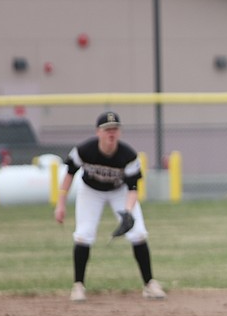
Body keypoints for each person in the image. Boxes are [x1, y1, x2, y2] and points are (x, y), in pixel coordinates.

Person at [54, 111, 166, 302]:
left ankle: (149, 284)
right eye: (107, 130)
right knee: (84, 234)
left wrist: (128, 213)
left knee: (138, 233)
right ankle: (78, 286)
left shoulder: (128, 155)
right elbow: (70, 173)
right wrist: (61, 203)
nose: (111, 133)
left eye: (114, 129)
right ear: (98, 132)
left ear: (119, 132)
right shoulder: (84, 150)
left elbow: (132, 188)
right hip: (90, 191)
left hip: (119, 191)